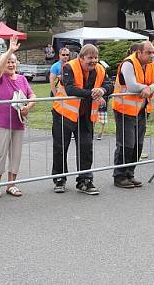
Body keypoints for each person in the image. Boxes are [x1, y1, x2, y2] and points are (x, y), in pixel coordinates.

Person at [51, 44, 113, 194]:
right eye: (90, 58)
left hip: (85, 116)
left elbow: (110, 85)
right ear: (81, 57)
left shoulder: (100, 69)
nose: (93, 61)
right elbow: (71, 89)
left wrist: (102, 90)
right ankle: (60, 179)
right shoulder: (68, 67)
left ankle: (85, 180)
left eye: (95, 58)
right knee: (60, 147)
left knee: (86, 148)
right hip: (64, 114)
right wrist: (94, 93)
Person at [0, 36, 36, 198]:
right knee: (0, 153)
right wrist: (10, 50)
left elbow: (32, 96)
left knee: (16, 154)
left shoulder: (22, 79)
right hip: (2, 122)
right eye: (8, 61)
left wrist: (27, 107)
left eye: (13, 61)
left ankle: (11, 185)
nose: (10, 64)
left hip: (18, 122)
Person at [112, 41, 154, 188]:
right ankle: (119, 176)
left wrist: (150, 88)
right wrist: (148, 88)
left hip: (141, 109)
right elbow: (132, 85)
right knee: (126, 144)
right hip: (124, 109)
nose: (152, 55)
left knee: (138, 145)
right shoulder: (128, 63)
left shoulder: (152, 64)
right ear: (139, 53)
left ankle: (130, 173)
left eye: (153, 52)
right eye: (149, 53)